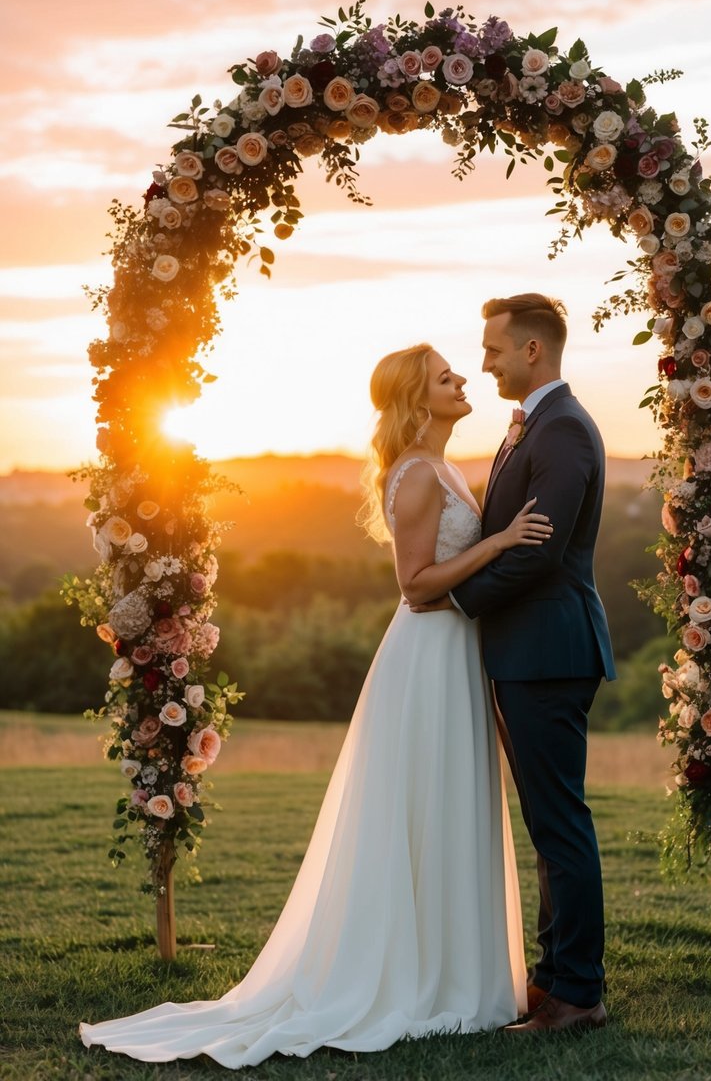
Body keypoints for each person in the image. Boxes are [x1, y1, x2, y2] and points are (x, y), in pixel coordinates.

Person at [80, 342, 554, 1066]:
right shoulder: (417, 475)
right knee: (422, 805)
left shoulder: (445, 467)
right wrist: (501, 544)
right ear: (414, 400)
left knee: (449, 806)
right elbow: (415, 586)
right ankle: (416, 979)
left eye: (458, 373)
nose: (462, 381)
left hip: (456, 653)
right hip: (427, 654)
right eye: (444, 378)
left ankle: (460, 974)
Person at [422, 293, 617, 1033]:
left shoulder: (562, 429)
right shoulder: (533, 425)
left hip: (549, 649)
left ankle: (577, 994)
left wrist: (456, 597)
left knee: (559, 822)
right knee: (547, 821)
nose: (483, 362)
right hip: (527, 650)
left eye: (494, 350)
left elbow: (538, 549)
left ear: (531, 350)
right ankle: (553, 978)